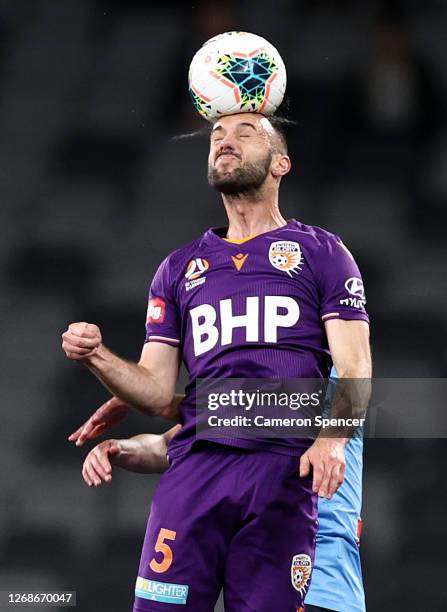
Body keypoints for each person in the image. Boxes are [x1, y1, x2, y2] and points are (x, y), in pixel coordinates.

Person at [62, 112, 371, 611]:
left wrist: (333, 440)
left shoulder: (322, 253)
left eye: (244, 135)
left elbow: (356, 368)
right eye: (217, 136)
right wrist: (96, 356)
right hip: (196, 477)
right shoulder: (178, 269)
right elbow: (158, 393)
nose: (225, 142)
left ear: (280, 164)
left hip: (282, 480)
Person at [74, 372, 366, 612]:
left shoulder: (335, 370)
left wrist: (141, 396)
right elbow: (169, 447)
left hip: (320, 573)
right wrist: (118, 448)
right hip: (259, 562)